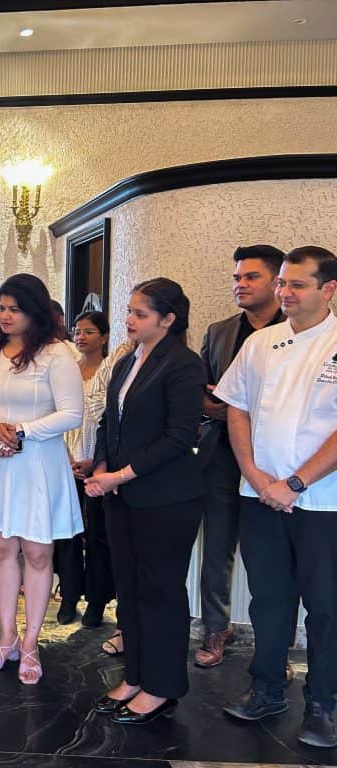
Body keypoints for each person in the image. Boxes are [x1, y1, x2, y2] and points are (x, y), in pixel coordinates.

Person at [214, 246, 337, 748]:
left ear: (328, 289)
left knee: (327, 606)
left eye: (296, 285)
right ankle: (266, 688)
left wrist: (295, 483)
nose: (283, 292)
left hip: (325, 501)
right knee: (268, 602)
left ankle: (323, 703)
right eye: (282, 283)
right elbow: (236, 409)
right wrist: (255, 474)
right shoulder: (260, 343)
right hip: (260, 496)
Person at [85, 277, 205, 725]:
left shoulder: (184, 364)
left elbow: (178, 438)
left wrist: (119, 475)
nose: (129, 320)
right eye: (129, 311)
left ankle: (163, 686)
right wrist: (100, 468)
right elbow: (106, 424)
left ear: (168, 319)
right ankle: (135, 675)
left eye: (140, 314)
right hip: (121, 496)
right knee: (129, 590)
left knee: (160, 593)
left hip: (166, 499)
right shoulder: (126, 361)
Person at [0, 273, 83, 684]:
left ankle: (31, 644)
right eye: (0, 308)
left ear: (34, 310)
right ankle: (6, 638)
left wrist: (20, 431)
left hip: (38, 465)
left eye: (14, 308)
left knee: (36, 554)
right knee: (1, 551)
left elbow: (72, 413)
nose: (4, 315)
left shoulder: (58, 354)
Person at [195, 245, 287, 670]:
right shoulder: (218, 332)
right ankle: (216, 627)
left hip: (276, 459)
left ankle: (275, 647)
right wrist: (213, 404)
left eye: (251, 277)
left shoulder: (299, 331)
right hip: (220, 455)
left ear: (277, 281)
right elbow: (200, 387)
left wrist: (237, 405)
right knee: (217, 547)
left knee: (273, 557)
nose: (240, 285)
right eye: (237, 278)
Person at [57, 310, 115, 627]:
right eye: (77, 331)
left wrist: (94, 461)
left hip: (99, 465)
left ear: (104, 336)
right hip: (64, 463)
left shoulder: (112, 370)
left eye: (89, 331)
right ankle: (68, 597)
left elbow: (111, 419)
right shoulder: (65, 369)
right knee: (66, 534)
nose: (81, 337)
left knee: (98, 536)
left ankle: (96, 600)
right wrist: (65, 458)